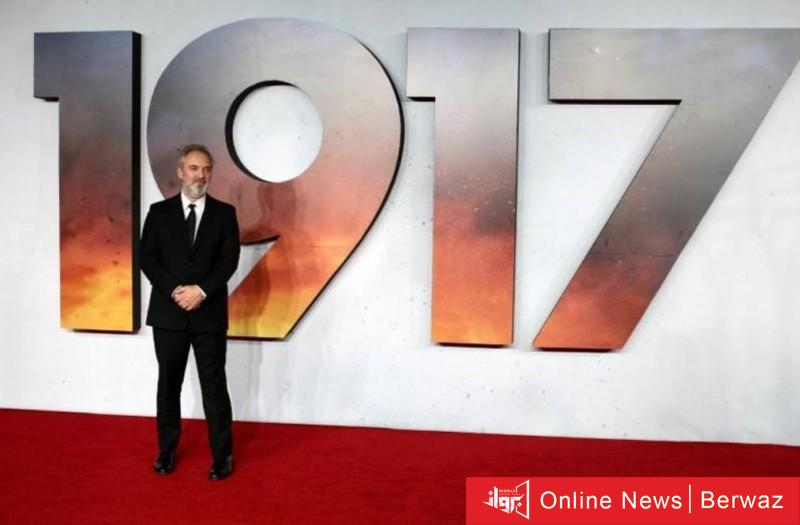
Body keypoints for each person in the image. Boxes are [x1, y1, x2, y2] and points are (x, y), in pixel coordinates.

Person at [140, 144, 240, 480]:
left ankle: (222, 455)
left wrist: (201, 291)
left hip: (209, 315)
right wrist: (175, 290)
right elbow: (147, 258)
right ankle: (166, 451)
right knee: (169, 385)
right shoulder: (158, 213)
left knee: (215, 386)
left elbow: (228, 260)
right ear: (181, 172)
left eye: (206, 169)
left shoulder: (225, 214)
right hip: (168, 316)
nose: (201, 175)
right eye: (194, 168)